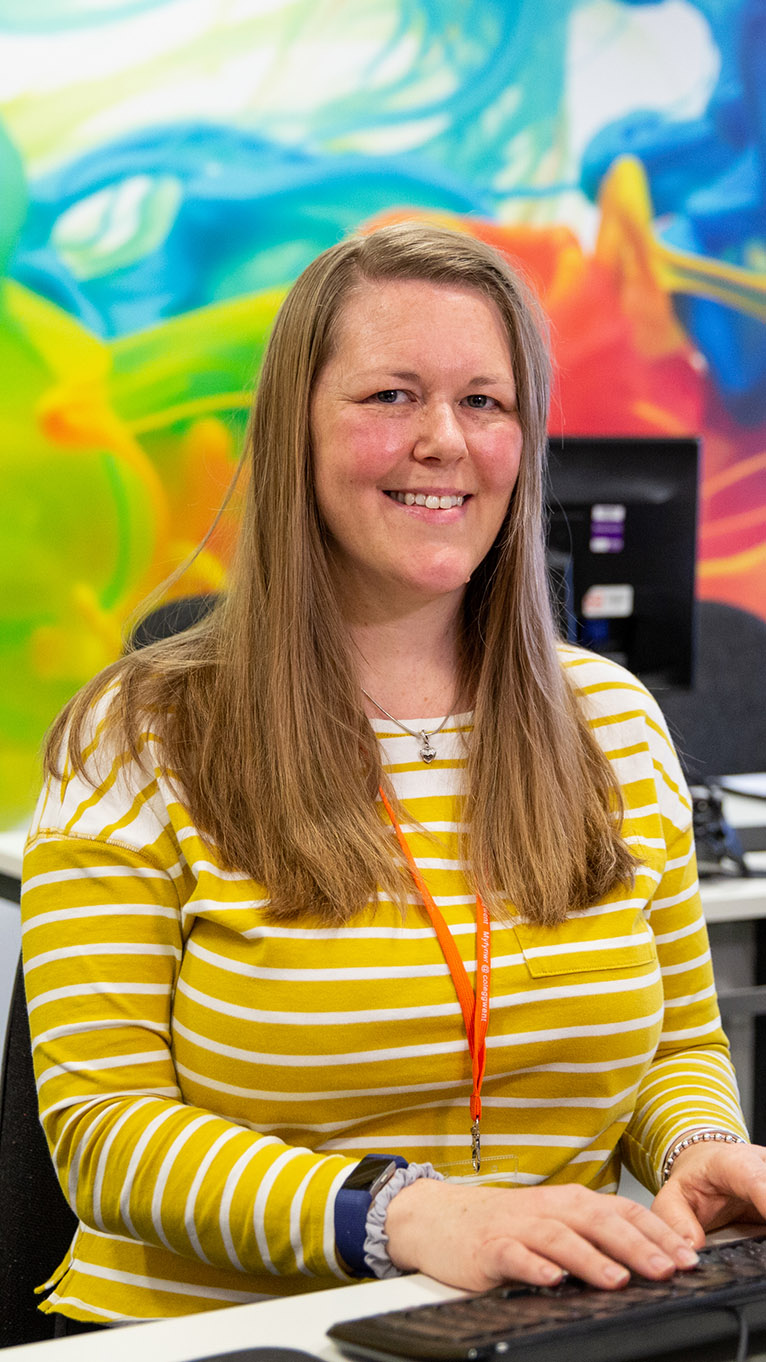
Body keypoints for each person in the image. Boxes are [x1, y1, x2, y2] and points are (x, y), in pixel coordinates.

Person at [21, 222, 766, 1328]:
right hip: (222, 1339)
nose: (443, 441)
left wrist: (702, 1145)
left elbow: (673, 1045)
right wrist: (406, 1216)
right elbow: (105, 1131)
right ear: (296, 432)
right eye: (389, 397)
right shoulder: (142, 734)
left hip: (539, 1327)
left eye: (483, 401)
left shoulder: (609, 720)